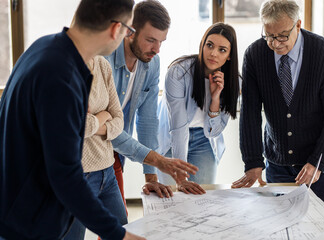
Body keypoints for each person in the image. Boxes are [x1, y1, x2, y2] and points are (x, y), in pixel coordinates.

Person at [0, 0, 194, 239]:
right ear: (116, 29)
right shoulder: (62, 76)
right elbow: (67, 175)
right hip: (30, 220)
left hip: (21, 207)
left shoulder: (45, 48)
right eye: (127, 30)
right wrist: (120, 235)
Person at [232, 0, 324, 209]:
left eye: (282, 36)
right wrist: (253, 162)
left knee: (319, 226)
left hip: (319, 163)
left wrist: (317, 162)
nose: (275, 44)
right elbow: (250, 112)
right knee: (280, 224)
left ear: (298, 25)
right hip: (278, 162)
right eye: (269, 36)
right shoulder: (255, 55)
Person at [107, 0, 197, 201]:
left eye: (161, 42)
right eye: (150, 40)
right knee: (71, 225)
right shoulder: (105, 59)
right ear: (130, 31)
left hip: (114, 152)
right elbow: (105, 126)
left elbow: (147, 120)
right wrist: (157, 160)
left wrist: (151, 177)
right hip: (82, 152)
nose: (157, 49)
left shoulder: (152, 63)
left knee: (117, 224)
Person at [156, 23, 240, 194]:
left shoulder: (233, 82)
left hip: (204, 140)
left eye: (222, 50)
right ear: (202, 45)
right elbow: (178, 127)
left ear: (230, 55)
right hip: (172, 138)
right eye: (209, 45)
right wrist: (180, 177)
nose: (213, 53)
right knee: (172, 197)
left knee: (201, 197)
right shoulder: (179, 72)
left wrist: (215, 98)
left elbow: (212, 131)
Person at [64, 55, 127, 239]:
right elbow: (75, 126)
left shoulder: (102, 64)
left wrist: (96, 122)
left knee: (122, 233)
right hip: (79, 176)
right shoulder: (67, 68)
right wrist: (103, 115)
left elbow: (119, 119)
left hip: (107, 173)